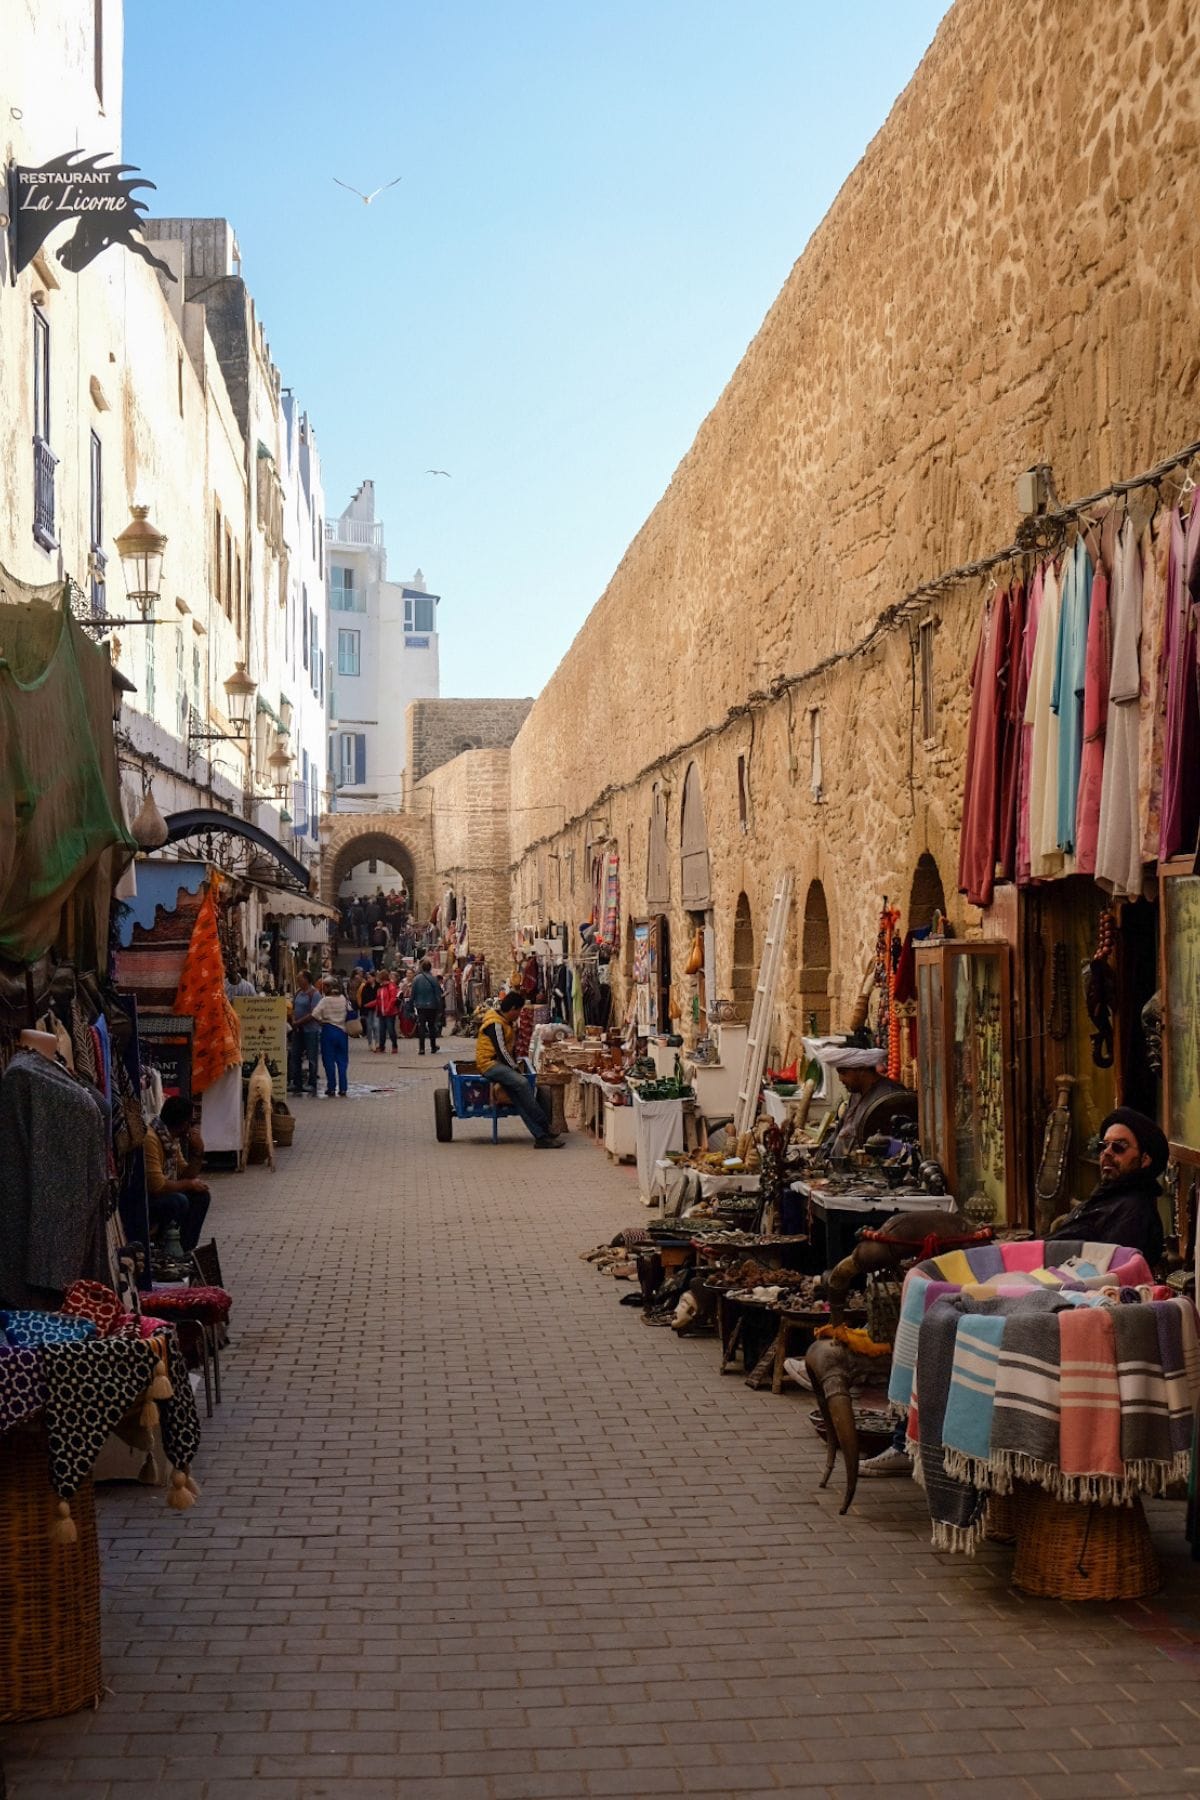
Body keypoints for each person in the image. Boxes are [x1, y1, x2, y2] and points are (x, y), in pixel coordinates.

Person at [1049, 1106, 1168, 1266]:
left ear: (1145, 1159)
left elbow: (1103, 1273)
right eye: (1103, 1146)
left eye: (1119, 1147)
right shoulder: (1108, 1196)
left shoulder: (1134, 1211)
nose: (1107, 1153)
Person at [475, 991, 562, 1147]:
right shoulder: (494, 1023)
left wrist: (514, 1066)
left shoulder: (506, 1022)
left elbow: (511, 1049)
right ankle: (544, 1124)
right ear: (513, 1008)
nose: (519, 1015)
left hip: (500, 1064)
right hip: (489, 1064)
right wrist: (515, 1069)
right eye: (519, 1011)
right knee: (522, 1083)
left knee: (518, 1100)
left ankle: (541, 1137)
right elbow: (501, 1051)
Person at [144, 1095, 211, 1261]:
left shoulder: (171, 1140)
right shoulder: (151, 1139)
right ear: (184, 1123)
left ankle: (184, 1249)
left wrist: (198, 1153)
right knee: (179, 1201)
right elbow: (157, 1186)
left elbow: (183, 1173)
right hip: (146, 1199)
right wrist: (189, 1184)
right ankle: (167, 1248)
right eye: (191, 1123)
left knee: (201, 1196)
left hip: (163, 1193)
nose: (192, 1128)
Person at [819, 1045, 908, 1158]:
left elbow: (896, 1148)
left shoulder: (888, 1097)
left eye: (843, 1073)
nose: (840, 1079)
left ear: (861, 1069)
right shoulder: (855, 1095)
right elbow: (840, 1130)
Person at [311, 978, 351, 1097]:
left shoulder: (325, 1000)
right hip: (342, 1032)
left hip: (328, 1031)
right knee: (342, 1061)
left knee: (329, 1061)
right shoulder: (343, 999)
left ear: (328, 987)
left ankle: (331, 1087)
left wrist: (321, 1022)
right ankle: (343, 1088)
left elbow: (314, 1014)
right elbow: (350, 1011)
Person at [289, 968, 320, 1094]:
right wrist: (293, 1019)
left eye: (300, 979)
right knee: (295, 1056)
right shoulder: (298, 992)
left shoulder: (314, 994)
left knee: (312, 1057)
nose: (298, 982)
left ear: (306, 980)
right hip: (298, 1030)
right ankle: (297, 1083)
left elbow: (314, 1013)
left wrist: (299, 1022)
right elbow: (293, 1007)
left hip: (310, 1030)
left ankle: (312, 1083)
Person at [411, 958, 443, 1056]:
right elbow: (438, 994)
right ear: (430, 968)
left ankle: (422, 1048)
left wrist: (412, 1004)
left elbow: (413, 993)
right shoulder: (433, 979)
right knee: (431, 1026)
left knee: (421, 1026)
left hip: (420, 1005)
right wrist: (439, 1006)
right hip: (432, 1005)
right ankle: (433, 1047)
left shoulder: (416, 979)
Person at [375, 970, 400, 1053]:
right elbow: (378, 1000)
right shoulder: (380, 987)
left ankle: (394, 1045)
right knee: (382, 1030)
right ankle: (382, 1047)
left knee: (390, 1029)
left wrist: (388, 1009)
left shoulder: (390, 987)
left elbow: (393, 999)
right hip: (381, 1012)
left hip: (389, 1012)